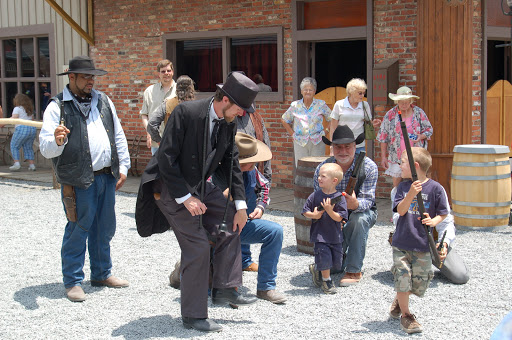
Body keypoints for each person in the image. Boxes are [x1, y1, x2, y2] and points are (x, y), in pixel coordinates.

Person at [135, 72, 260, 333]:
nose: (241, 115)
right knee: (199, 246)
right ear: (225, 99)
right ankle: (193, 315)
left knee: (231, 224)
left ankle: (225, 288)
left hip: (200, 186)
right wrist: (186, 198)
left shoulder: (228, 121)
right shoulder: (185, 113)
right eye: (239, 108)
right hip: (170, 188)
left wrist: (241, 206)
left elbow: (232, 163)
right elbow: (166, 158)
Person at [39, 56, 131, 302]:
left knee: (105, 227)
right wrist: (58, 141)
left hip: (106, 176)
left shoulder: (103, 100)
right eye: (86, 76)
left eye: (93, 76)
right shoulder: (56, 106)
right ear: (72, 77)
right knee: (78, 228)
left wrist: (123, 166)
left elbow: (117, 134)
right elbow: (46, 148)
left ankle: (101, 273)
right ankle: (73, 281)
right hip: (77, 179)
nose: (91, 81)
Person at [214, 132, 286, 303]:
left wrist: (260, 207)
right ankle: (225, 288)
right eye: (248, 161)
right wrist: (223, 196)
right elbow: (202, 202)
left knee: (275, 232)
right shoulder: (213, 172)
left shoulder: (252, 171)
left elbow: (264, 187)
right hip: (217, 227)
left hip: (242, 224)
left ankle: (266, 287)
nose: (253, 164)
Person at [390, 147, 449, 334]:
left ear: (415, 166)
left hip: (422, 244)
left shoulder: (436, 189)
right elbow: (400, 210)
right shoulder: (403, 186)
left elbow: (443, 213)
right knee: (403, 277)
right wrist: (410, 195)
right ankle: (407, 316)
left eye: (402, 162)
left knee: (420, 282)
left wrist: (434, 221)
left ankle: (401, 298)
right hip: (402, 243)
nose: (400, 165)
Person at [313, 125, 378, 286]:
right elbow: (318, 201)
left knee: (359, 219)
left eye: (347, 147)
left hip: (361, 212)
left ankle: (354, 270)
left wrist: (354, 204)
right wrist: (336, 217)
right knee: (329, 267)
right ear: (332, 148)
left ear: (355, 147)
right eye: (338, 147)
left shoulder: (369, 167)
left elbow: (368, 201)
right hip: (332, 216)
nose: (343, 151)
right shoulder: (322, 169)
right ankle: (337, 261)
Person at [391, 187, 470, 285]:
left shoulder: (436, 189)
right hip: (411, 241)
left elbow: (446, 222)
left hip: (433, 243)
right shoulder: (398, 190)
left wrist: (444, 244)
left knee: (460, 276)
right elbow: (397, 220)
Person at [303, 163, 348, 294]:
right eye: (319, 176)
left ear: (334, 181)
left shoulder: (339, 198)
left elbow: (340, 218)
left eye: (323, 176)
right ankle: (327, 282)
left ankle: (317, 269)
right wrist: (314, 215)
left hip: (335, 235)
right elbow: (305, 211)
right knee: (325, 256)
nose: (319, 178)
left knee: (336, 263)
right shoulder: (315, 196)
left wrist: (329, 210)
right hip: (320, 235)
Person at [377, 86, 433, 189]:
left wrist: (420, 136)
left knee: (418, 182)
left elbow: (429, 130)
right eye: (401, 102)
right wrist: (383, 157)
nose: (404, 104)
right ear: (397, 101)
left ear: (411, 101)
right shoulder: (390, 115)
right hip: (396, 156)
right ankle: (397, 204)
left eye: (407, 102)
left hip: (416, 155)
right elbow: (383, 137)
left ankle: (418, 204)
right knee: (396, 184)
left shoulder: (418, 113)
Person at [281, 77, 331, 166]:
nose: (308, 92)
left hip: (317, 140)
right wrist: (292, 134)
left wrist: (326, 132)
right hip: (300, 141)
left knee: (317, 167)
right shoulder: (295, 105)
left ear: (314, 91)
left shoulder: (321, 104)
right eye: (305, 89)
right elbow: (284, 119)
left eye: (310, 90)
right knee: (301, 167)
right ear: (301, 91)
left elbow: (332, 118)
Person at [329, 78, 381, 154]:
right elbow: (333, 127)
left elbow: (368, 124)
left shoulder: (365, 105)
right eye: (360, 93)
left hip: (359, 145)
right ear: (351, 92)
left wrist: (374, 124)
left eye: (364, 93)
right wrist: (332, 145)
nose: (362, 95)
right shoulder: (339, 105)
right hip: (341, 145)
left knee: (359, 165)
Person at [140, 59, 176, 155]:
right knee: (157, 169)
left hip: (175, 141)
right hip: (156, 143)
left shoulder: (179, 91)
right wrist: (149, 133)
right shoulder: (149, 91)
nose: (166, 73)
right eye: (163, 71)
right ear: (158, 74)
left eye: (168, 70)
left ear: (172, 72)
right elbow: (144, 114)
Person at [147, 75, 195, 144]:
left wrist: (160, 142)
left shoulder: (167, 104)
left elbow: (151, 124)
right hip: (192, 147)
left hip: (172, 146)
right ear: (192, 88)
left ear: (176, 88)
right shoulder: (198, 106)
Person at [7, 94, 37, 171]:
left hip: (22, 128)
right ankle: (32, 165)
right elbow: (32, 119)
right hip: (32, 128)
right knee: (28, 147)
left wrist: (5, 121)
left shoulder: (17, 108)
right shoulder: (29, 109)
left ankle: (16, 164)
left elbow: (14, 118)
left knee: (14, 145)